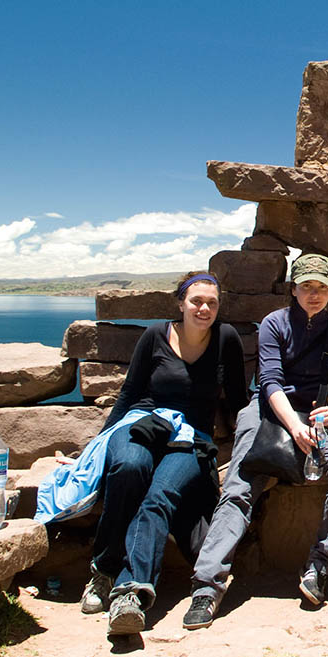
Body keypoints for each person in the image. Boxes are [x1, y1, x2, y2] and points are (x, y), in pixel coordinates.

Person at [184, 253, 328, 627]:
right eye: (307, 286)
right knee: (241, 483)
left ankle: (322, 565)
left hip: (315, 415)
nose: (314, 294)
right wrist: (293, 428)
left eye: (322, 287)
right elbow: (270, 382)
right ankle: (207, 584)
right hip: (270, 410)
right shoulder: (274, 324)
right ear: (293, 288)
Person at [81, 271, 247, 636]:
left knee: (160, 493)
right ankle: (103, 571)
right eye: (196, 301)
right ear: (181, 303)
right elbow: (128, 394)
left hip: (191, 436)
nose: (204, 308)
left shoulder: (226, 339)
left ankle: (130, 592)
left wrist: (249, 444)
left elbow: (238, 400)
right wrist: (96, 445)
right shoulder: (156, 334)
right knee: (128, 467)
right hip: (142, 423)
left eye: (212, 303)